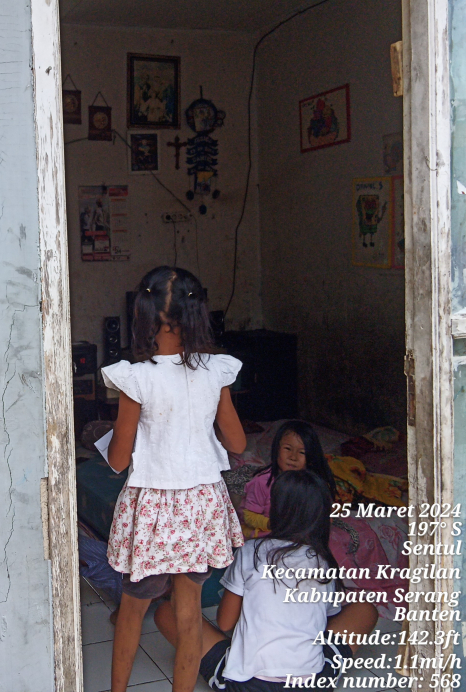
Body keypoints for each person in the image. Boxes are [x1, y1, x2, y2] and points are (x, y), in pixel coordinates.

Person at [101, 266, 247, 692]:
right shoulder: (215, 372)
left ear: (143, 315)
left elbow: (118, 459)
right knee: (189, 615)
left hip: (154, 509)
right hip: (201, 504)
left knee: (133, 609)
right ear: (197, 314)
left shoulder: (137, 378)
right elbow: (237, 443)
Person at [156, 470, 379, 691]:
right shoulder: (323, 562)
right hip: (311, 686)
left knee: (167, 612)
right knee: (365, 610)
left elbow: (225, 623)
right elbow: (326, 620)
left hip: (246, 686)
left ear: (275, 510)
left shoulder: (250, 552)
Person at [240, 420, 337, 538]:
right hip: (267, 533)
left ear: (310, 456)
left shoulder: (311, 483)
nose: (293, 457)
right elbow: (249, 517)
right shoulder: (262, 482)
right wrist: (274, 524)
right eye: (287, 448)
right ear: (277, 448)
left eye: (302, 452)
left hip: (298, 535)